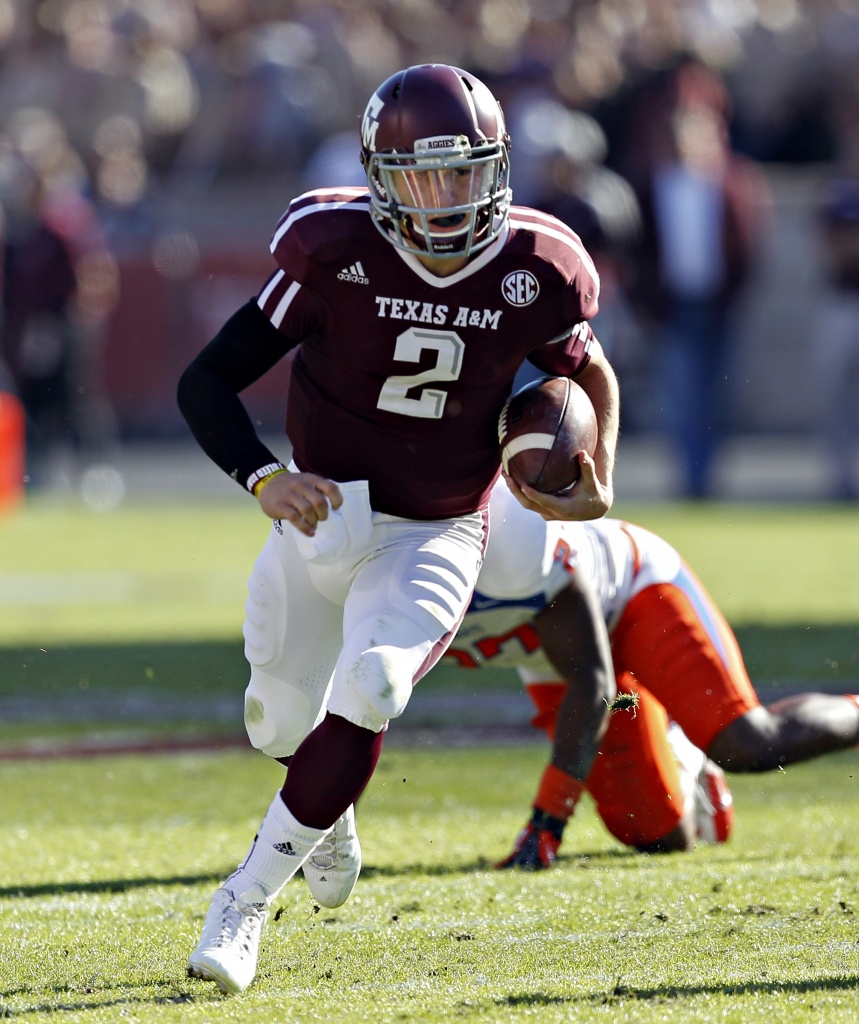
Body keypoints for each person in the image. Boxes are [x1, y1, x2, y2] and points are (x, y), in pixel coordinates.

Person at [177, 63, 620, 994]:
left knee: (373, 684)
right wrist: (262, 476)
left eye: (464, 172)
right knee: (276, 721)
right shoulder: (332, 248)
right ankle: (324, 815)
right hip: (323, 515)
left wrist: (599, 475)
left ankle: (245, 899)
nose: (447, 198)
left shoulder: (536, 267)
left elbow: (591, 374)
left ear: (495, 168)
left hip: (436, 528)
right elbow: (206, 379)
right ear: (380, 176)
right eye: (423, 176)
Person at [443, 477, 859, 869]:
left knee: (748, 743)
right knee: (656, 834)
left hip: (632, 597)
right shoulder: (381, 565)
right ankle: (681, 744)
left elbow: (593, 683)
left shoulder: (514, 530)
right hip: (556, 659)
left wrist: (546, 823)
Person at [617, 57, 770, 498]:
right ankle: (691, 477)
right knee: (683, 393)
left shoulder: (730, 182)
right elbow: (640, 250)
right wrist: (647, 301)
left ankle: (708, 473)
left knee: (718, 394)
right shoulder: (652, 185)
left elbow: (747, 243)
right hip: (674, 306)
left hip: (718, 303)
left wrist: (737, 292)